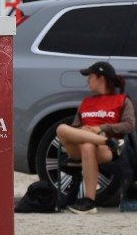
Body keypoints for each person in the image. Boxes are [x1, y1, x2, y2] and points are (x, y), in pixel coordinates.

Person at [56, 61, 135, 214]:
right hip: (83, 147)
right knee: (62, 129)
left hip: (104, 151)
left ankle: (89, 202)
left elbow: (129, 125)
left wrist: (101, 128)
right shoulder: (86, 102)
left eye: (90, 76)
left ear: (101, 78)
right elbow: (74, 128)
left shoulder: (122, 100)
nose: (87, 80)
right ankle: (107, 141)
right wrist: (84, 130)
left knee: (88, 146)